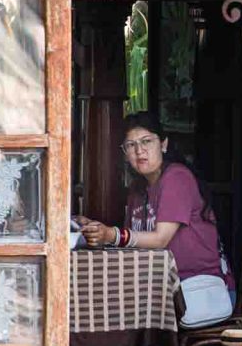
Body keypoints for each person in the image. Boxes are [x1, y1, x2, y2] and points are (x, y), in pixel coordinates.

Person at [80, 112, 234, 329]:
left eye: (147, 142)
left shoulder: (176, 177)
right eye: (130, 145)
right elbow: (132, 245)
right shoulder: (138, 189)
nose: (139, 150)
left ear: (164, 144)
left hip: (197, 288)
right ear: (125, 154)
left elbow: (160, 239)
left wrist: (112, 234)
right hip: (158, 289)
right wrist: (94, 229)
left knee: (130, 321)